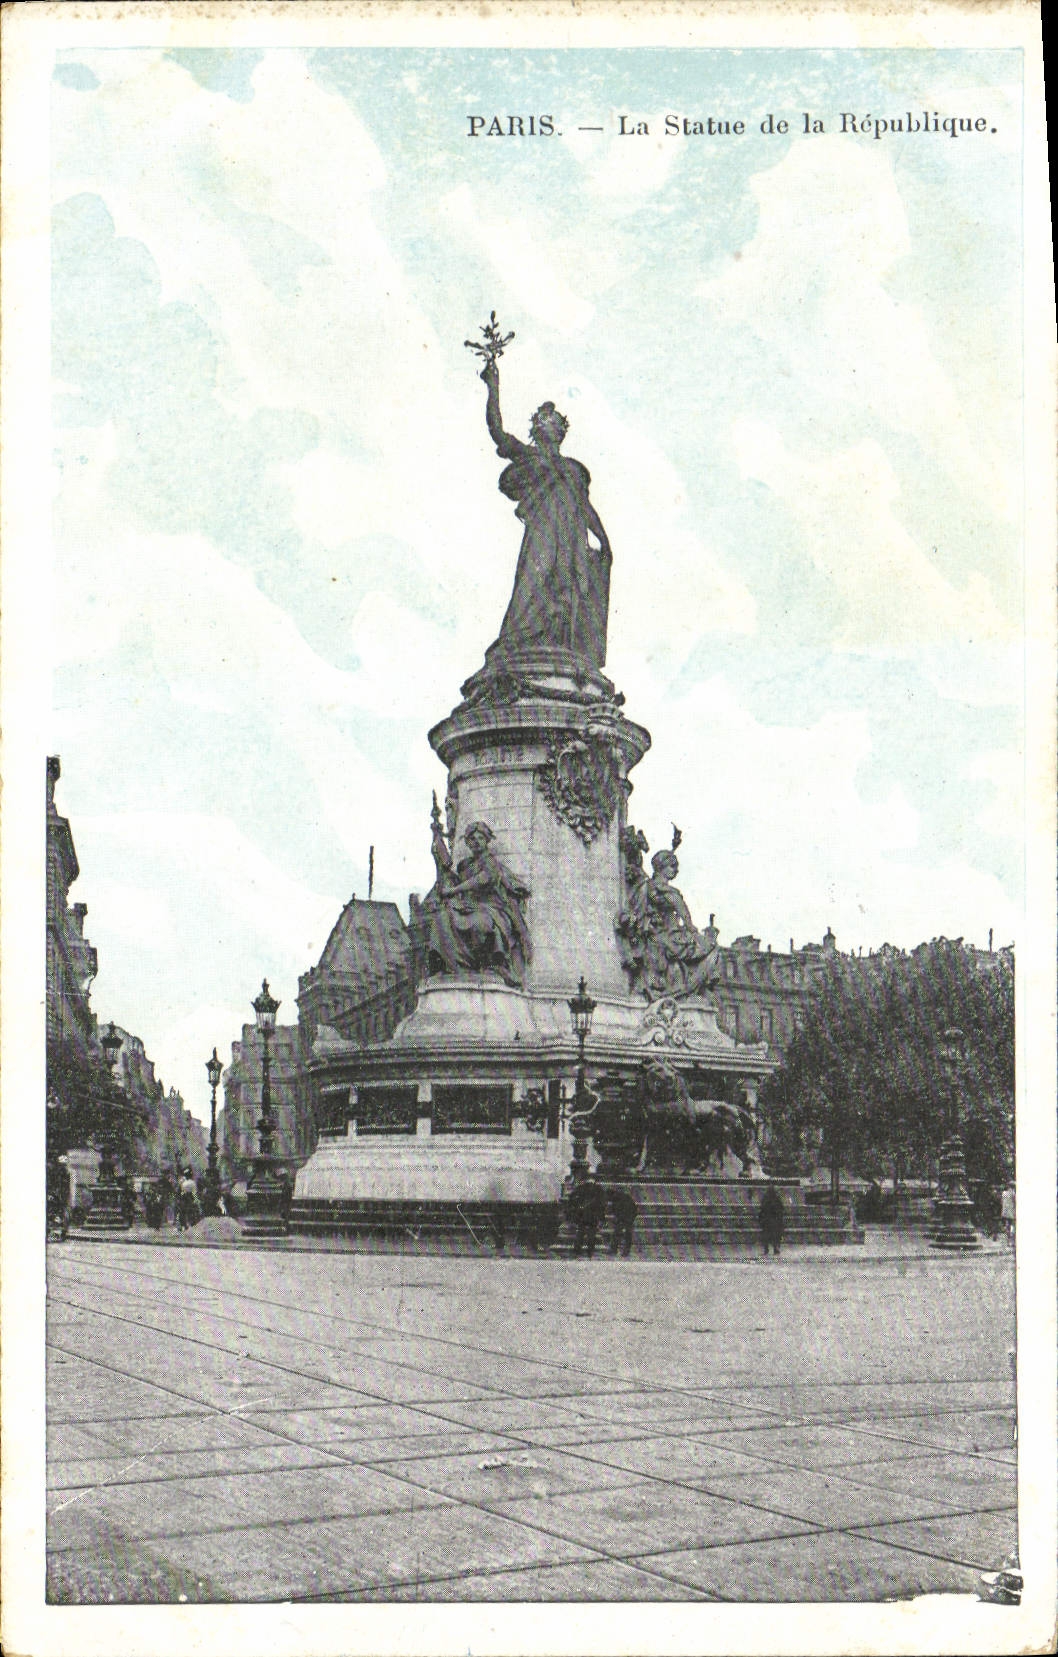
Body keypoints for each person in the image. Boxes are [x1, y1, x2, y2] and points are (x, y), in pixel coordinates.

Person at [480, 356, 612, 668]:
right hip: (544, 531)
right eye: (544, 421)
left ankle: (558, 647)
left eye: (554, 423)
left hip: (571, 536)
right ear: (537, 431)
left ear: (561, 432)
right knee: (534, 578)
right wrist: (492, 386)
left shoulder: (573, 470)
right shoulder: (529, 457)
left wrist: (604, 539)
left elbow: (585, 507)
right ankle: (520, 640)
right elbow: (497, 432)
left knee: (568, 590)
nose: (549, 426)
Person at [426, 821, 532, 986]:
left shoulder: (490, 862)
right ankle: (452, 966)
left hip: (493, 907)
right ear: (468, 842)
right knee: (442, 919)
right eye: (472, 838)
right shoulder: (464, 865)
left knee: (480, 923)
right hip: (469, 906)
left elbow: (482, 880)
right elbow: (453, 882)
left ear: (487, 840)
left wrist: (454, 891)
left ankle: (490, 964)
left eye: (480, 838)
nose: (476, 841)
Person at [568, 1174, 608, 1258]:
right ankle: (590, 1252)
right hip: (593, 1215)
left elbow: (572, 1198)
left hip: (582, 1214)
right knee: (591, 1234)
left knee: (581, 1233)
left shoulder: (581, 1188)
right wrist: (601, 1217)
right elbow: (603, 1204)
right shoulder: (599, 1189)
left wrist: (577, 1207)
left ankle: (577, 1251)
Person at [608, 1187, 639, 1257]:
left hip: (626, 1219)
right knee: (621, 1235)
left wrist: (629, 1218)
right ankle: (619, 1250)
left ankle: (618, 1250)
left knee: (623, 1235)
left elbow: (633, 1209)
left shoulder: (619, 1199)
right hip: (624, 1219)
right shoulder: (623, 1198)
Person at [758, 1184, 785, 1257]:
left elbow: (761, 1210)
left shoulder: (765, 1199)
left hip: (766, 1220)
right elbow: (781, 1209)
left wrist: (761, 1220)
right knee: (775, 1235)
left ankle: (766, 1249)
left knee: (766, 1235)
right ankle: (775, 1248)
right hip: (774, 1220)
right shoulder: (777, 1199)